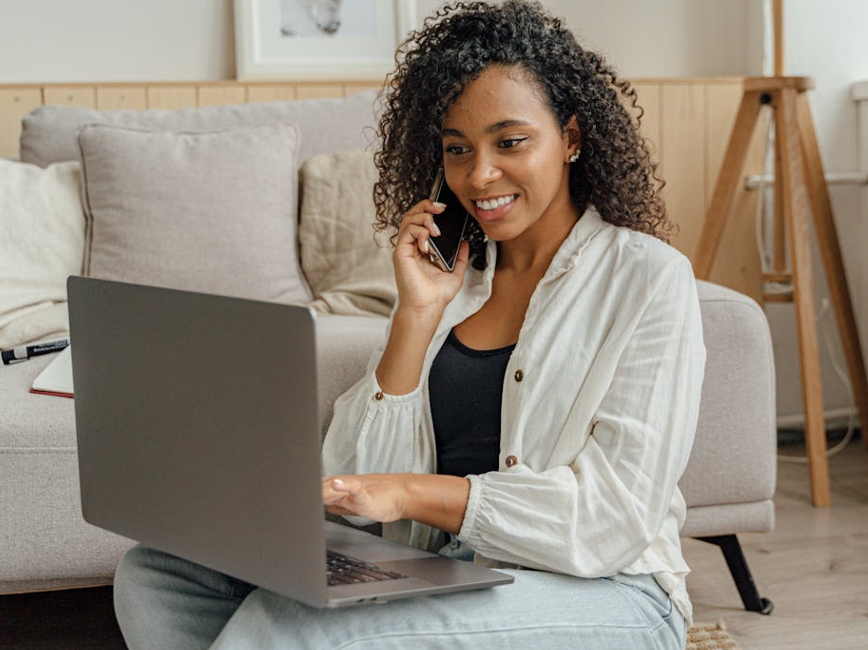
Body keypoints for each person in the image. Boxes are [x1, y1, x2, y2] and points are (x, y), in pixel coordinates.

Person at [113, 2, 706, 648]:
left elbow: (609, 518)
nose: (479, 176)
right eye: (458, 149)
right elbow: (355, 486)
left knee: (291, 625)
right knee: (156, 574)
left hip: (610, 593)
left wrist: (412, 493)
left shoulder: (649, 279)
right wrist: (416, 315)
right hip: (456, 572)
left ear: (570, 138)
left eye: (510, 142)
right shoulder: (452, 286)